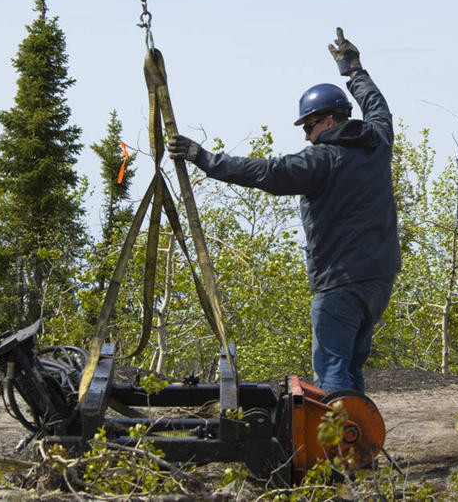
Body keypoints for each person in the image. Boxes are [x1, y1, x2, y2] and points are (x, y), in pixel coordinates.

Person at [168, 28, 400, 394]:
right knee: (352, 361)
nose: (306, 135)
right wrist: (354, 70)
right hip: (379, 278)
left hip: (339, 281)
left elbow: (268, 173)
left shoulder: (322, 161)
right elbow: (378, 107)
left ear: (328, 120)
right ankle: (356, 441)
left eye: (309, 126)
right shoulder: (377, 141)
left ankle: (339, 443)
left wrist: (205, 158)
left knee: (333, 365)